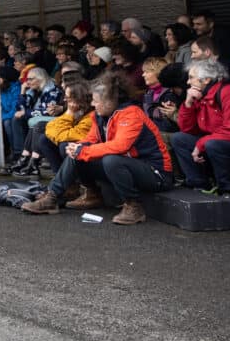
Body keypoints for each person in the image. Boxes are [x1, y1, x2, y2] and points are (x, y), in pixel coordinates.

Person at [21, 72, 173, 225]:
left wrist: (83, 150)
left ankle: (134, 206)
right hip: (128, 166)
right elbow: (90, 140)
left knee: (111, 160)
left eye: (96, 100)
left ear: (110, 101)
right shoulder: (99, 115)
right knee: (78, 154)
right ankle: (54, 197)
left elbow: (120, 146)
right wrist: (78, 147)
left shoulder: (131, 114)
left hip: (156, 173)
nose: (93, 104)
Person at [172, 59, 230, 194]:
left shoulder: (226, 92)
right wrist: (188, 104)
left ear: (206, 80)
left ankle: (226, 189)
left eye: (191, 77)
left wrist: (201, 143)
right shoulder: (200, 95)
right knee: (179, 139)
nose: (188, 82)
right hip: (213, 140)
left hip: (221, 141)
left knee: (212, 144)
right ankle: (199, 185)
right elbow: (187, 129)